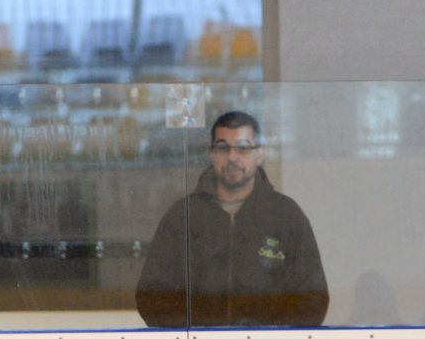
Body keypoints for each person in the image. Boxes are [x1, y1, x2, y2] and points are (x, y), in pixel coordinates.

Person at [134, 111, 329, 327]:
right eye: (223, 147)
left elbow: (313, 299)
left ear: (259, 155)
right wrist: (195, 336)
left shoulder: (286, 215)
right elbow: (151, 296)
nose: (232, 157)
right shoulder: (184, 215)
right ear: (211, 153)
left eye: (243, 148)